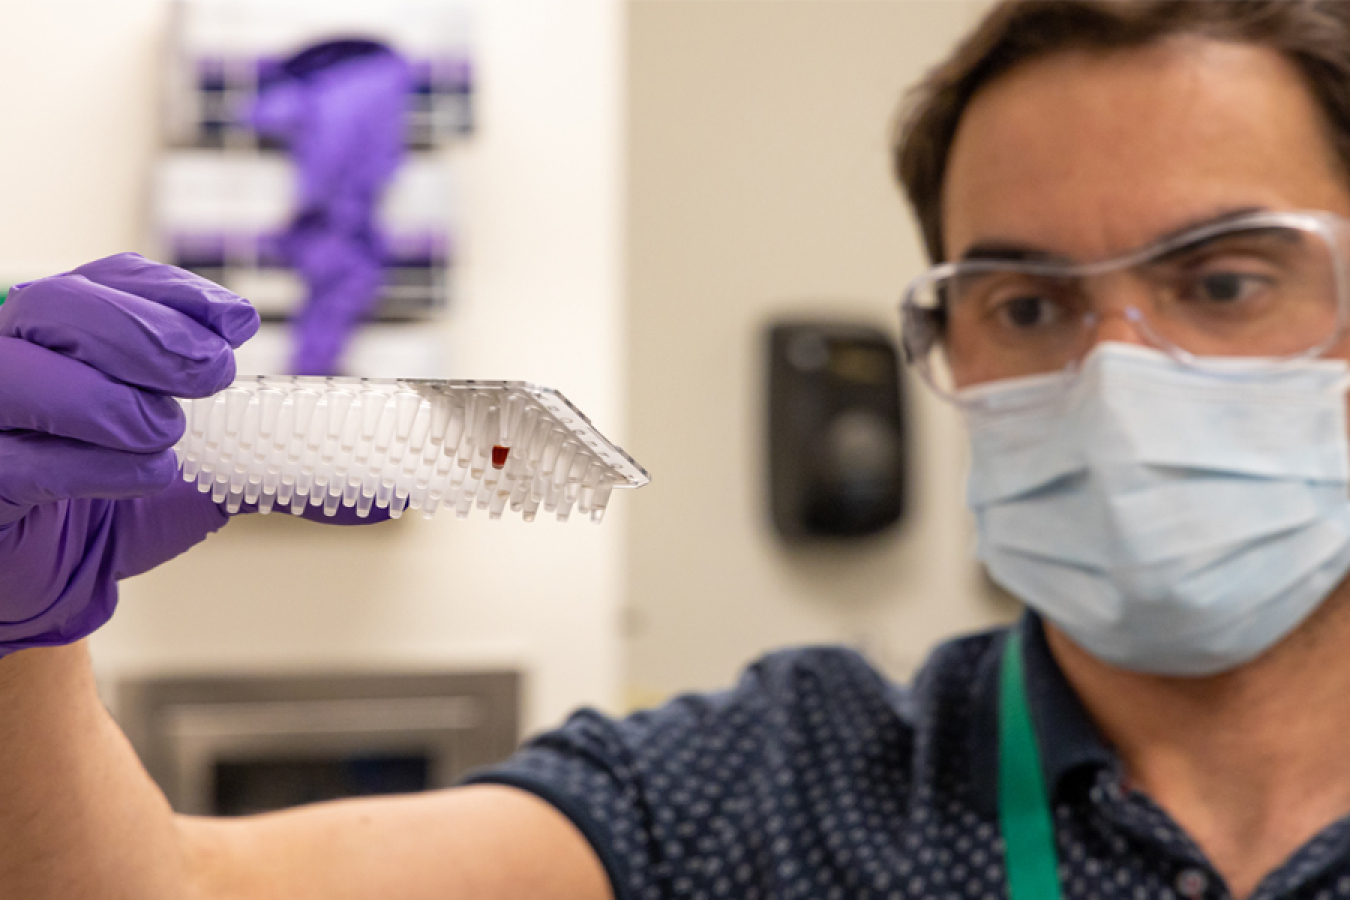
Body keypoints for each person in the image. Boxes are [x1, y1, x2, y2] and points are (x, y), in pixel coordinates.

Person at [3, 1, 1350, 897]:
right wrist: (20, 642)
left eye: (1222, 282)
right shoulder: (773, 788)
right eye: (1026, 303)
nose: (1111, 370)